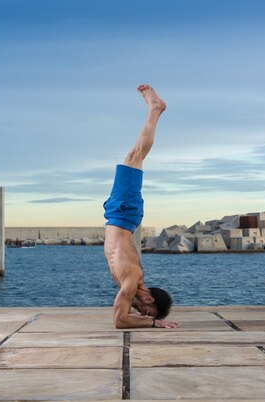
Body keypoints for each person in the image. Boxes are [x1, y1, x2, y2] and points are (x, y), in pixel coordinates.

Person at [103, 84, 178, 329]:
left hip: (121, 214)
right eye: (147, 311)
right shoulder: (133, 280)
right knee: (135, 155)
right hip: (123, 213)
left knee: (134, 156)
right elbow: (120, 321)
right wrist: (154, 325)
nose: (142, 313)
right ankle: (155, 110)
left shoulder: (134, 282)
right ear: (149, 297)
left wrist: (152, 322)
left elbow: (120, 319)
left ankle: (155, 110)